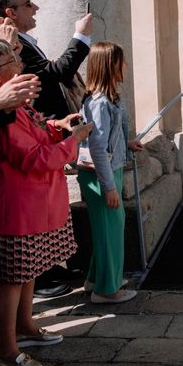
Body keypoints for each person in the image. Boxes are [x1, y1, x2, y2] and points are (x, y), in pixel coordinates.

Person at [0, 38, 93, 366]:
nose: (20, 68)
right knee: (11, 277)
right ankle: (6, 350)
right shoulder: (3, 109)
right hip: (16, 207)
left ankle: (25, 327)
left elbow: (35, 131)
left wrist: (57, 127)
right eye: (12, 63)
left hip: (34, 203)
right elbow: (31, 157)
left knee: (29, 270)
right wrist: (72, 142)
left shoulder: (15, 104)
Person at [0, 0, 93, 298]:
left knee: (31, 259)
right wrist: (81, 37)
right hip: (19, 192)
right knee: (17, 271)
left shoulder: (15, 103)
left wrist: (54, 125)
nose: (35, 8)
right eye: (27, 4)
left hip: (36, 176)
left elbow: (33, 116)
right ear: (10, 12)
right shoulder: (6, 100)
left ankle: (27, 321)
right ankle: (11, 341)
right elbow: (52, 76)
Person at [77, 41, 142, 304]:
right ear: (110, 65)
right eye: (121, 61)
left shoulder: (105, 99)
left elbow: (104, 139)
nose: (125, 65)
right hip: (100, 177)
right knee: (110, 232)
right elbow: (97, 148)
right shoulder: (100, 102)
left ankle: (97, 279)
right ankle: (106, 291)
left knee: (107, 231)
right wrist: (110, 187)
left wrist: (125, 143)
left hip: (103, 173)